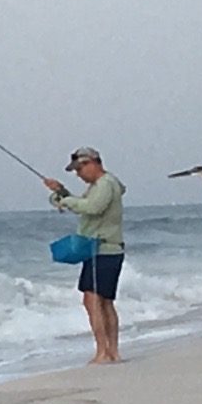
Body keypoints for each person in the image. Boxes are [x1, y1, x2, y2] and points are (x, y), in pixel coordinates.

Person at [44, 147, 126, 364]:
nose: (78, 175)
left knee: (93, 300)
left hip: (103, 250)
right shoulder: (99, 186)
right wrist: (61, 193)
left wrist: (66, 200)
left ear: (92, 163)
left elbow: (93, 207)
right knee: (103, 301)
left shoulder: (106, 184)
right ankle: (111, 352)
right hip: (101, 250)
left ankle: (104, 352)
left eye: (80, 169)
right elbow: (83, 205)